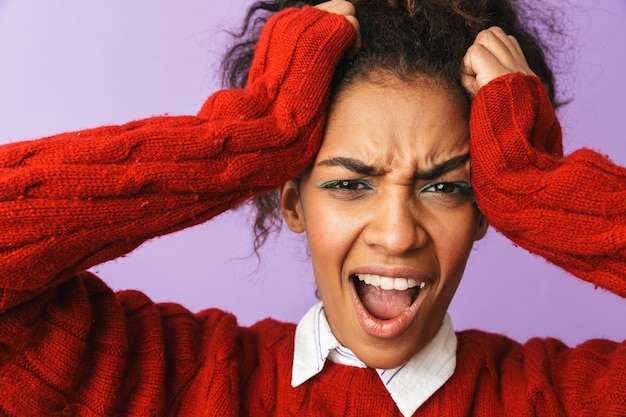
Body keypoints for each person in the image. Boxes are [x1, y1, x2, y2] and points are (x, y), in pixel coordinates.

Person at [0, 0, 624, 416]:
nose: (397, 234)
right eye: (351, 184)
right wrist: (259, 130)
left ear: (487, 206)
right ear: (291, 198)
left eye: (444, 186)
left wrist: (533, 182)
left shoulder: (564, 399)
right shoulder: (177, 380)